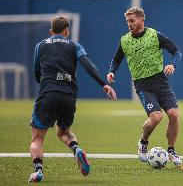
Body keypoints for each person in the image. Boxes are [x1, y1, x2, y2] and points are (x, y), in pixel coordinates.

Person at [28, 16, 117, 182]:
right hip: (68, 96)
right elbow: (87, 64)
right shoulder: (74, 45)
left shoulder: (40, 45)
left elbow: (36, 72)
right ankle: (76, 150)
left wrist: (46, 83)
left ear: (50, 31)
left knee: (37, 138)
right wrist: (103, 84)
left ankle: (39, 170)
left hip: (48, 94)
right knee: (64, 132)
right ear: (67, 31)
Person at [107, 7, 182, 166]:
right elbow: (116, 59)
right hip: (143, 84)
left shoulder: (155, 35)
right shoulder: (125, 40)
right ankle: (143, 142)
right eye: (127, 21)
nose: (129, 24)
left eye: (132, 21)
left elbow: (176, 51)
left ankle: (171, 150)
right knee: (156, 117)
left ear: (142, 20)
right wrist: (111, 72)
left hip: (161, 82)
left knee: (174, 114)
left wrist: (172, 65)